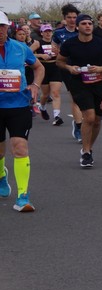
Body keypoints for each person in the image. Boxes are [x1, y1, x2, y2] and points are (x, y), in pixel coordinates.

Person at [55, 13, 102, 168]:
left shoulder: (101, 43)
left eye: (89, 23)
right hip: (79, 84)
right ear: (77, 27)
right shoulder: (70, 44)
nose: (87, 26)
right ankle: (86, 152)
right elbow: (59, 62)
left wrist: (100, 68)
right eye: (84, 24)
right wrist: (69, 67)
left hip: (99, 84)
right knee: (89, 117)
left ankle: (88, 148)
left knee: (97, 120)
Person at [0, 11, 43, 212]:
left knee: (20, 148)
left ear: (7, 27)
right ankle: (2, 176)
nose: (0, 30)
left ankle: (23, 196)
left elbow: (39, 67)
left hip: (19, 105)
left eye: (2, 26)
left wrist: (35, 85)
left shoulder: (20, 47)